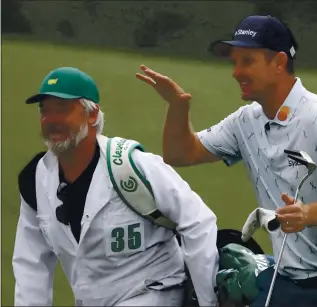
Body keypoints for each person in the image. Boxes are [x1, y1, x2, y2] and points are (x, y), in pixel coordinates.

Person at [135, 14, 317, 306]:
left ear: (279, 62)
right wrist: (178, 107)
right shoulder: (246, 121)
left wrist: (307, 215)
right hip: (291, 282)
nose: (235, 72)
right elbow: (181, 154)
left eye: (247, 61)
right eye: (234, 62)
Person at [12, 66, 220, 306]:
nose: (51, 120)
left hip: (153, 293)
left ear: (92, 115)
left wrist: (209, 301)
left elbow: (197, 220)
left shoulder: (131, 165)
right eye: (45, 110)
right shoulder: (35, 180)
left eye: (63, 109)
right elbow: (31, 264)